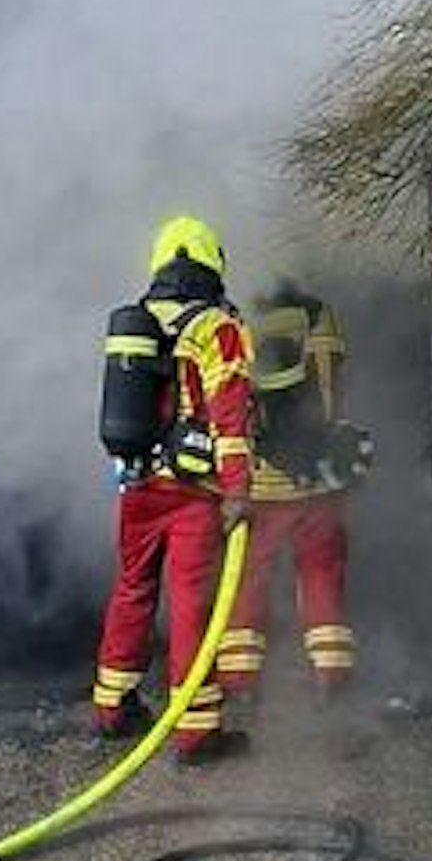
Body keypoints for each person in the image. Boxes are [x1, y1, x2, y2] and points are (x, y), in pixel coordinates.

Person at [89, 216, 256, 765]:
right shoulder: (216, 327)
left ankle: (113, 706)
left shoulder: (138, 322)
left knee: (133, 588)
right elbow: (230, 414)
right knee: (191, 603)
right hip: (194, 491)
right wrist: (238, 491)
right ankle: (196, 733)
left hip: (136, 485)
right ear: (212, 265)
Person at [216, 280, 371, 708]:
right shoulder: (318, 315)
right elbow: (332, 387)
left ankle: (239, 677)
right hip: (318, 479)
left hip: (260, 481)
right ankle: (332, 671)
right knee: (321, 571)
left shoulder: (234, 319)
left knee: (249, 578)